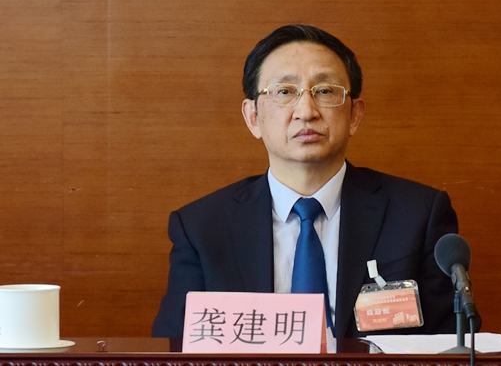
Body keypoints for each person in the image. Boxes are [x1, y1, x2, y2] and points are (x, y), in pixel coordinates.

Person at [152, 24, 459, 339]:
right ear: (253, 117)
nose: (306, 111)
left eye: (324, 91)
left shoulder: (416, 216)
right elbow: (174, 348)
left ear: (354, 115)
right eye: (284, 92)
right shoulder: (202, 227)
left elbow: (449, 346)